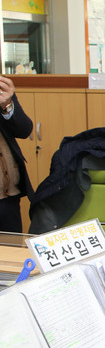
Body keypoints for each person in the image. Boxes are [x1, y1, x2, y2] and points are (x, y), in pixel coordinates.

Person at [0, 76, 34, 232]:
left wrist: (7, 105)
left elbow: (24, 130)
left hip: (9, 197)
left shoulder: (2, 89)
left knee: (11, 246)